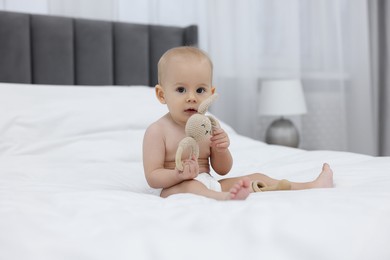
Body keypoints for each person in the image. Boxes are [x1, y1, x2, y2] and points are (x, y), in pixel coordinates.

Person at [142, 46, 333, 201]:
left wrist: (221, 149)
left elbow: (222, 170)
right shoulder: (157, 131)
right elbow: (153, 177)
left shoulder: (207, 127)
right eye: (181, 89)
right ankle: (223, 198)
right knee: (192, 185)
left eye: (200, 90)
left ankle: (309, 186)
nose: (192, 98)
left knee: (256, 177)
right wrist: (178, 175)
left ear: (211, 92)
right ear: (162, 95)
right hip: (175, 187)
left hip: (210, 183)